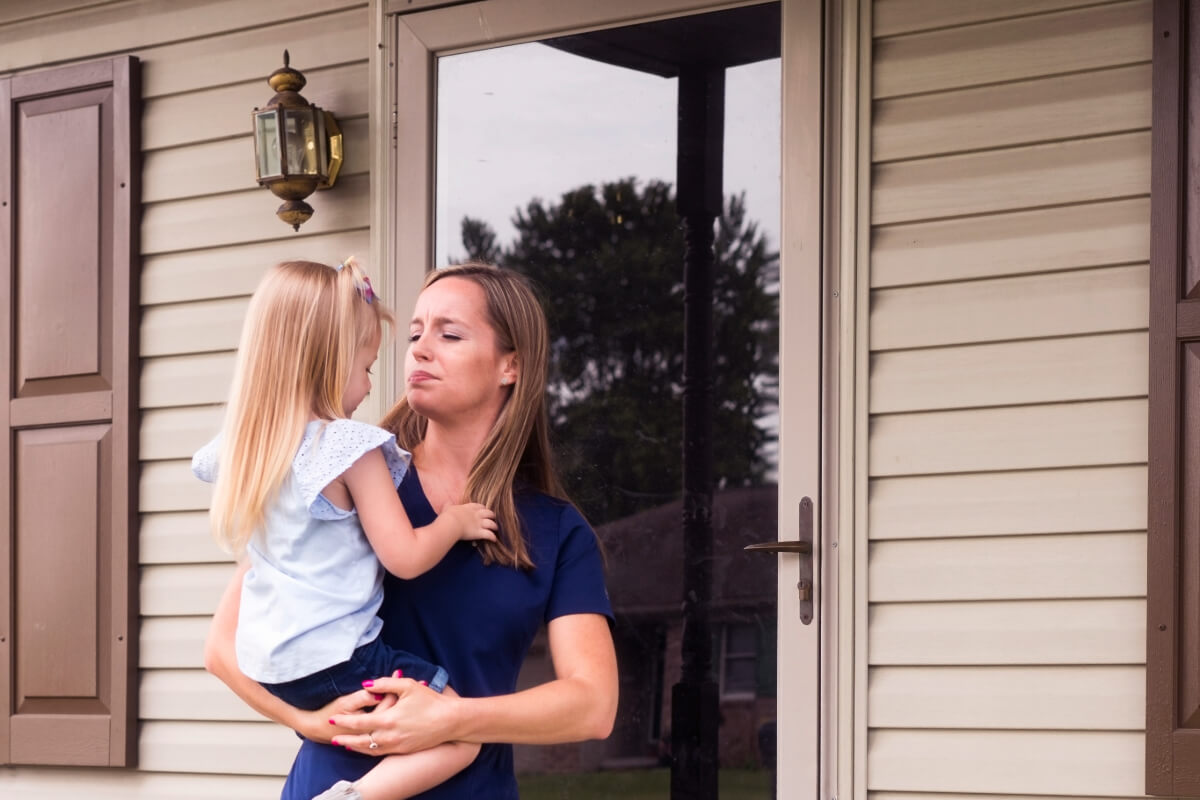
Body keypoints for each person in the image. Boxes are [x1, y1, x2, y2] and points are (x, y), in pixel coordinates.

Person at [205, 262, 618, 799]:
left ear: (510, 366)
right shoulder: (341, 473)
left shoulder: (557, 532)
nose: (420, 349)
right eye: (416, 333)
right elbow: (221, 646)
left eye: (449, 334)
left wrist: (452, 720)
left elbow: (593, 706)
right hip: (333, 783)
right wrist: (306, 722)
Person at [193, 258, 500, 800]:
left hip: (274, 668)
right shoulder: (348, 448)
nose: (366, 386)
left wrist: (306, 720)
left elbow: (219, 648)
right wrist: (453, 523)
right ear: (328, 361)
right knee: (460, 729)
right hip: (341, 658)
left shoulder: (247, 450)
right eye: (367, 367)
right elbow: (403, 556)